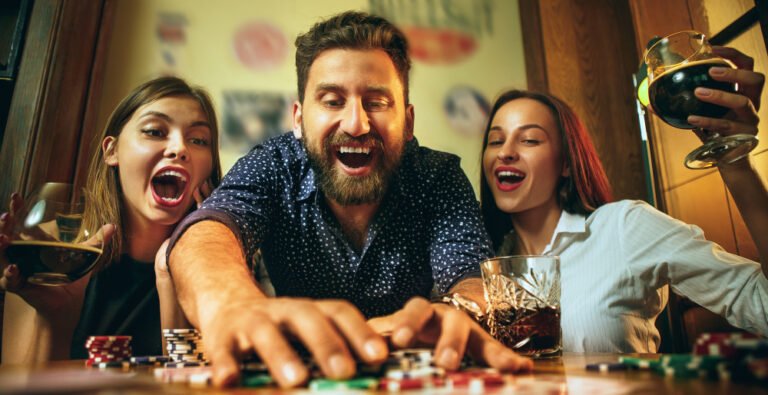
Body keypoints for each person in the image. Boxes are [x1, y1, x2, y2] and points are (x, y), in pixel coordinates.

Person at [164, 11, 531, 388]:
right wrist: (232, 304)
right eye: (333, 101)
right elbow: (206, 233)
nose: (356, 124)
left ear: (408, 123)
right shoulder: (272, 165)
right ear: (299, 118)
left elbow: (471, 277)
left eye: (376, 102)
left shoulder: (438, 176)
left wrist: (459, 310)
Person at [479, 47, 768, 353]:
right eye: (495, 141)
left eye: (529, 140)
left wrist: (736, 166)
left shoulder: (622, 227)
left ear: (566, 163)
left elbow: (760, 303)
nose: (505, 152)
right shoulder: (479, 263)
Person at [0, 76, 222, 361]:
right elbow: (20, 388)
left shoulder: (218, 257)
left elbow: (196, 384)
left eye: (198, 140)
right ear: (112, 151)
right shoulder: (49, 246)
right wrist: (54, 318)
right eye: (155, 132)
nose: (180, 148)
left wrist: (171, 275)